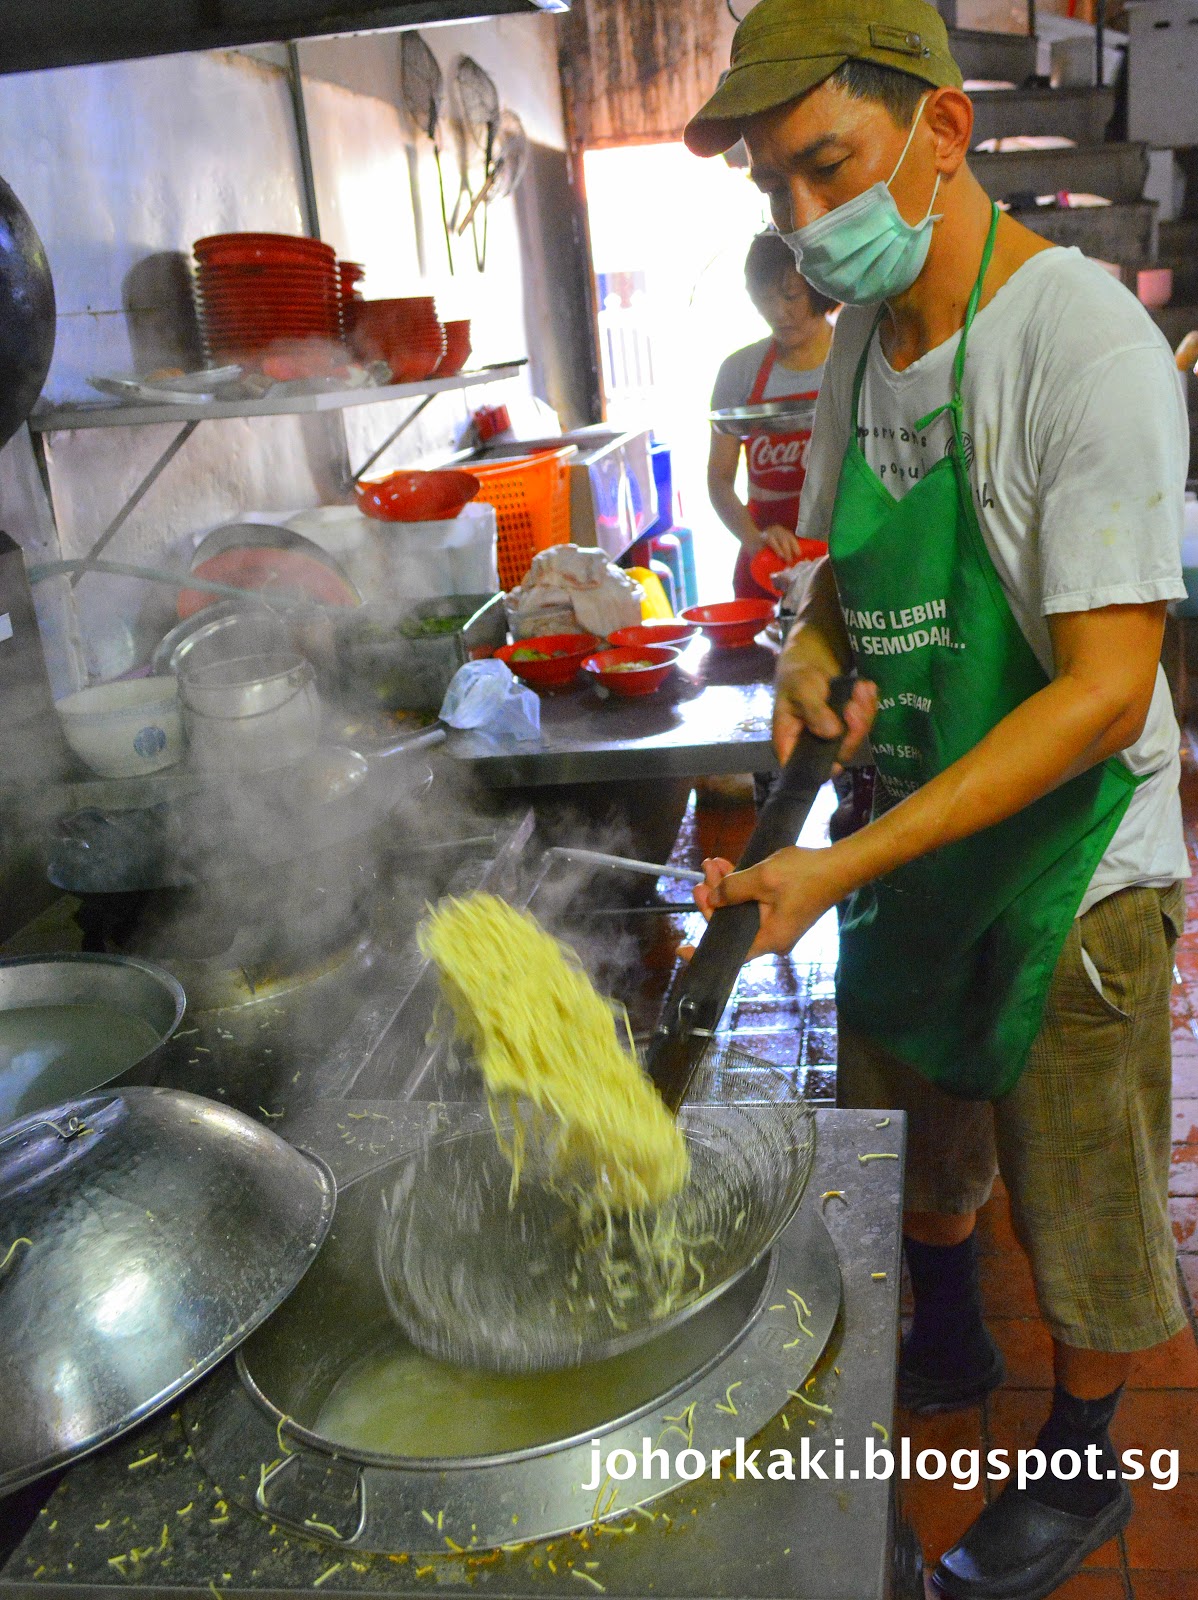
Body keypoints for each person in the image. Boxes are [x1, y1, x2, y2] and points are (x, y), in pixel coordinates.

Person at [684, 2, 1190, 1597]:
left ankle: (1084, 1469)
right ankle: (946, 1327)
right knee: (921, 1125)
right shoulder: (860, 356)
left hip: (1069, 865)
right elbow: (839, 579)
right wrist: (803, 657)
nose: (803, 220)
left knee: (1081, 1191)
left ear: (942, 133)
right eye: (774, 188)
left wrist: (838, 873)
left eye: (827, 166)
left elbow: (1105, 686)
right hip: (912, 828)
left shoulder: (1077, 340)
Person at [708, 231, 835, 600]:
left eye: (791, 295)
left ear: (818, 288)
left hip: (841, 557)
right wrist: (755, 540)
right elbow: (718, 481)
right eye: (764, 299)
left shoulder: (855, 359)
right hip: (767, 565)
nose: (778, 312)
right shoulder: (738, 371)